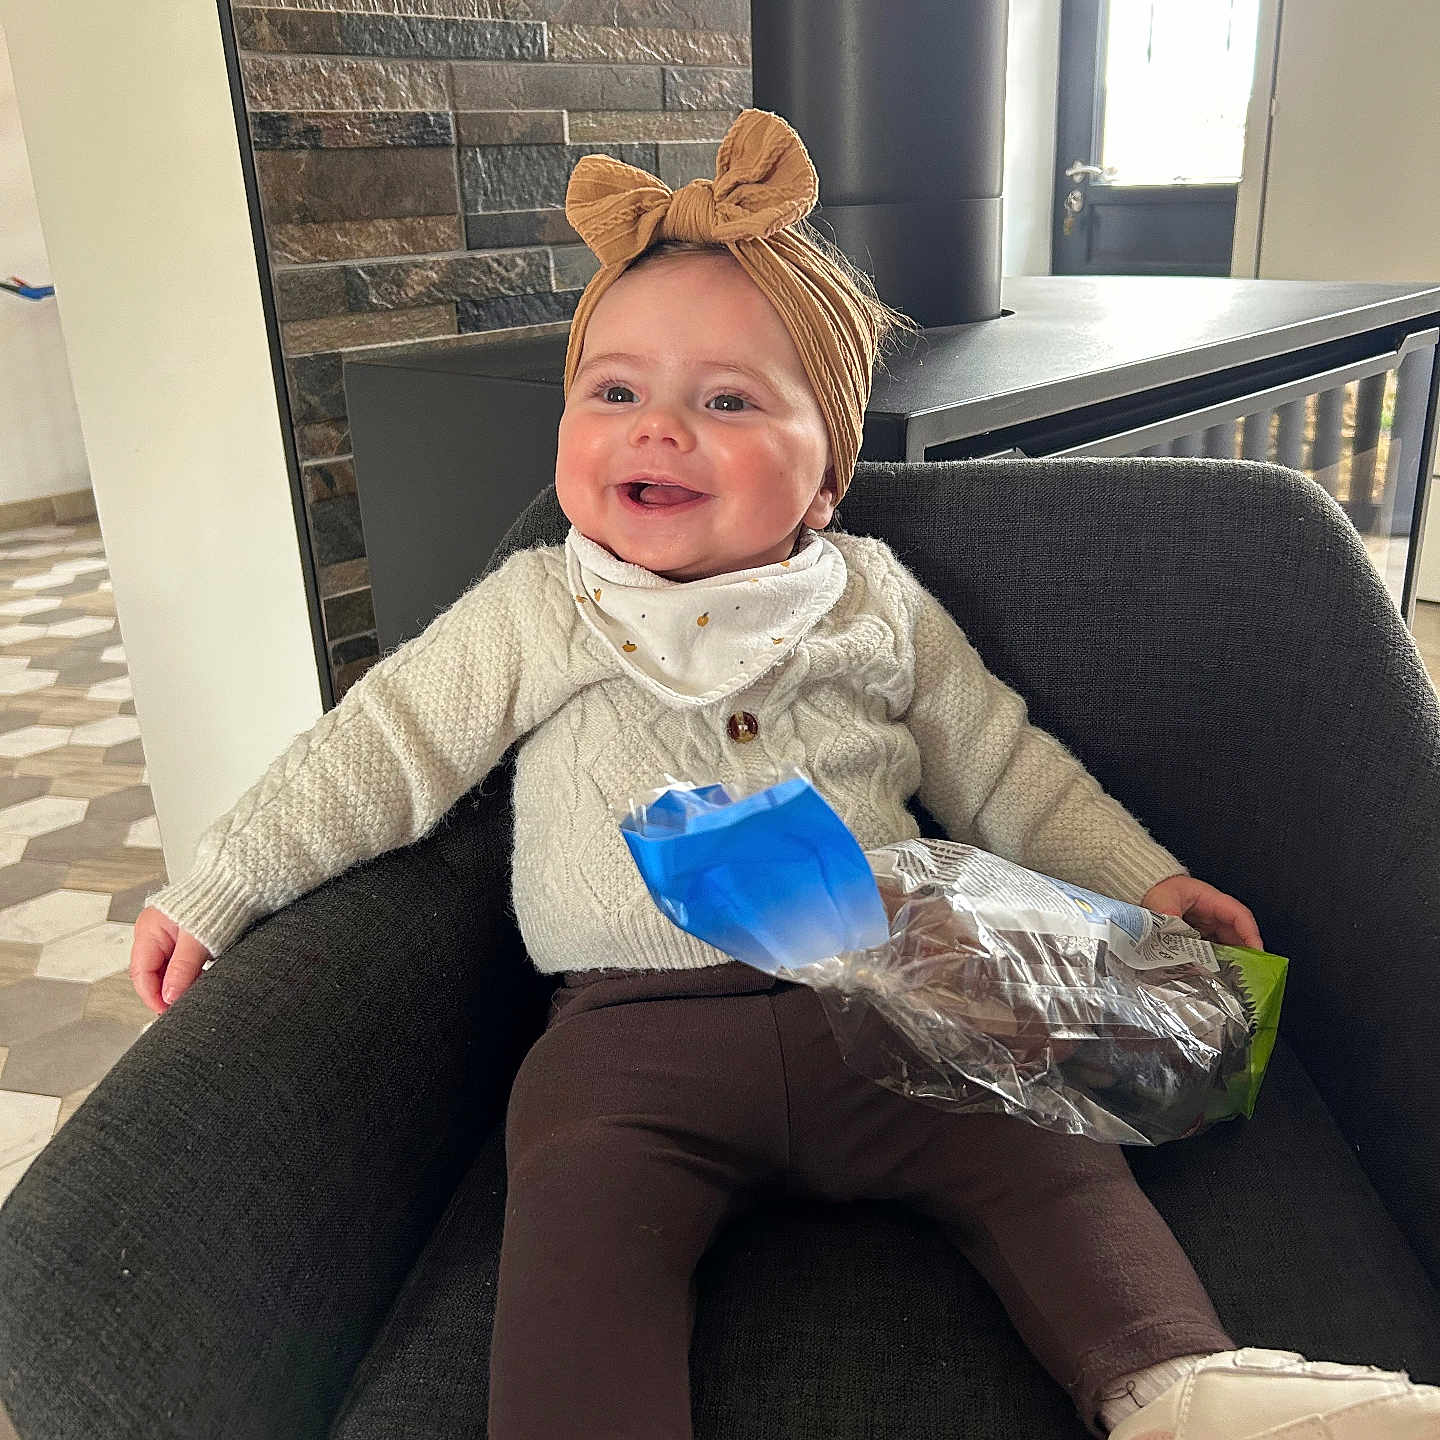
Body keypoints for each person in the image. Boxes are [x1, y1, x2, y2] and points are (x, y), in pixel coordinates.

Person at [129, 110, 1438, 1440]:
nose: (659, 429)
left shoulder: (874, 601)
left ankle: (1177, 1385)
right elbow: (378, 750)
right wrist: (222, 884)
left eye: (729, 400)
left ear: (826, 478)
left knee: (1057, 1159)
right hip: (631, 1045)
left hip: (902, 990)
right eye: (616, 391)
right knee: (576, 1205)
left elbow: (1008, 773)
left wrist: (1140, 879)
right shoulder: (537, 610)